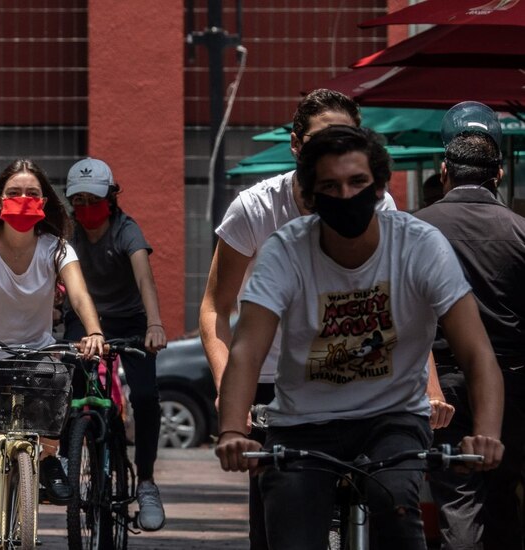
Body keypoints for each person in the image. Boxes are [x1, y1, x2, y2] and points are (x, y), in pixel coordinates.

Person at [215, 125, 505, 550]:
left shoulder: (421, 246)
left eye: (358, 182)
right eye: (330, 186)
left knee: (397, 505)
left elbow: (477, 353)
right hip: (302, 424)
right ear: (309, 197)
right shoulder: (284, 251)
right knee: (287, 521)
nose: (346, 195)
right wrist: (230, 432)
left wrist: (486, 433)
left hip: (392, 417)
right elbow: (247, 351)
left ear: (380, 187)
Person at [199, 89, 413, 549]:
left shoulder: (380, 206)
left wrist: (428, 388)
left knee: (393, 497)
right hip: (272, 381)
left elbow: (404, 307)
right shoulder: (255, 209)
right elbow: (216, 307)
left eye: (346, 139)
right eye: (322, 140)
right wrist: (227, 393)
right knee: (279, 520)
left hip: (355, 374)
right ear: (296, 145)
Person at [0, 159, 105, 550]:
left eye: (32, 193)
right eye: (14, 193)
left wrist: (94, 330)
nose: (23, 200)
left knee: (62, 375)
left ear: (45, 201)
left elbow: (78, 293)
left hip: (34, 359)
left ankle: (46, 459)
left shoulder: (56, 247)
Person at [415, 102, 525, 549]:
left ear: (444, 170)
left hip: (442, 385)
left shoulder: (413, 230)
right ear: (497, 175)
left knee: (458, 499)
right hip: (514, 386)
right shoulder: (520, 232)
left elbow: (404, 318)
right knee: (503, 497)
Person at [61, 156, 169, 530]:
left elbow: (145, 279)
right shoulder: (67, 234)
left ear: (111, 198)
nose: (86, 208)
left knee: (143, 396)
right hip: (83, 317)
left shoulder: (126, 230)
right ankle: (68, 456)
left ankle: (148, 481)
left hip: (130, 319)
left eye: (94, 199)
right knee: (69, 384)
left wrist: (154, 325)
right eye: (79, 201)